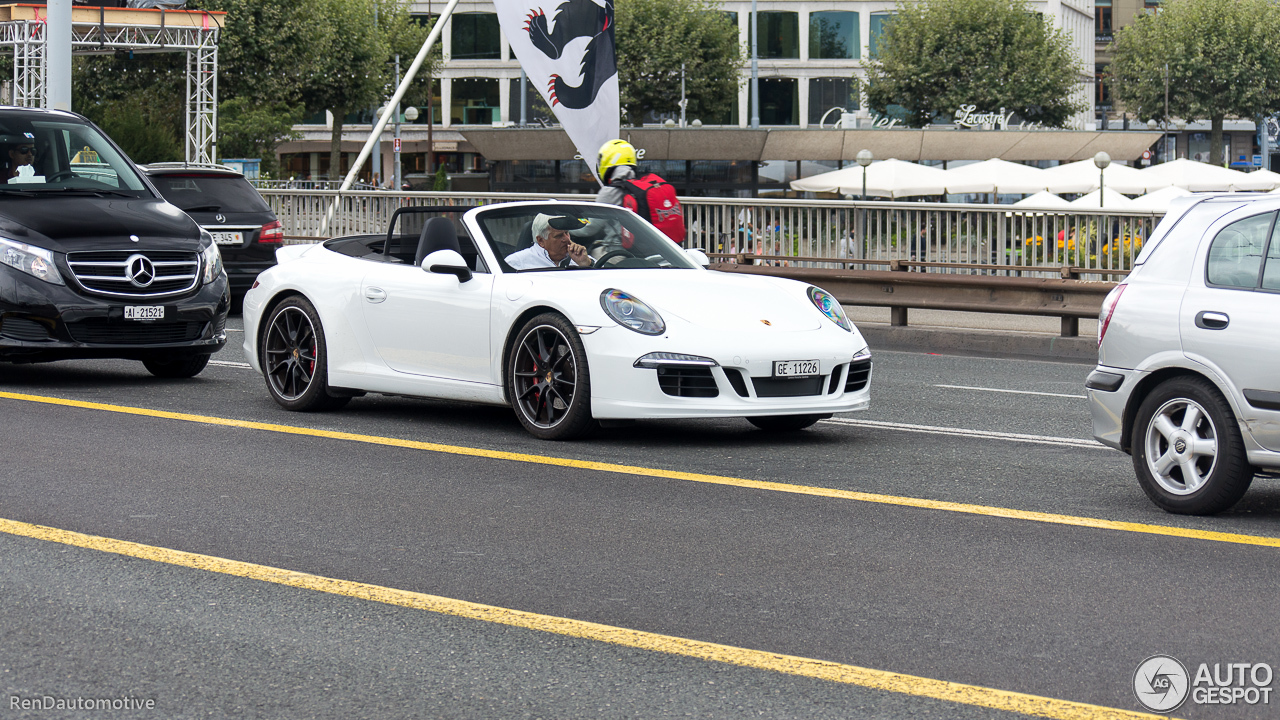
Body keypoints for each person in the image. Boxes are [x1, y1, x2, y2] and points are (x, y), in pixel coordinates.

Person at [595, 139, 686, 244]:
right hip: (662, 249)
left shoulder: (609, 191)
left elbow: (591, 227)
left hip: (619, 251)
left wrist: (573, 230)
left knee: (589, 255)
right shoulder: (640, 185)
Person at [505, 213, 595, 270]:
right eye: (559, 236)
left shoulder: (579, 257)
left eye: (567, 233)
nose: (567, 239)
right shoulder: (517, 262)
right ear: (541, 240)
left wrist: (587, 264)